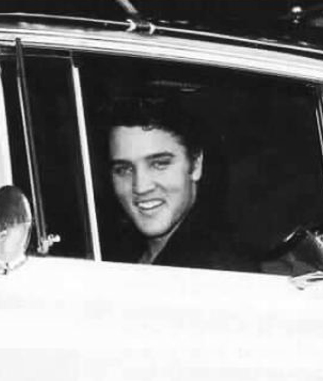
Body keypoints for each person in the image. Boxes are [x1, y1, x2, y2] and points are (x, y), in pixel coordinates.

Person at [104, 95, 258, 272]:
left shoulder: (219, 270)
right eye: (124, 169)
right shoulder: (117, 250)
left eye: (159, 164)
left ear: (195, 165)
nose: (140, 187)